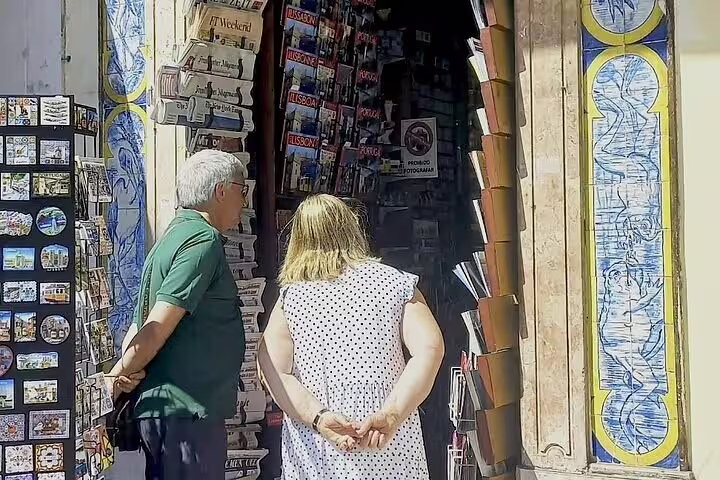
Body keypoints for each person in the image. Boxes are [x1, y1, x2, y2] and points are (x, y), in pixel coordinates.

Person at [258, 194, 444, 479]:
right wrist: (393, 413)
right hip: (388, 440)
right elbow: (430, 348)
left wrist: (318, 418)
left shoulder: (292, 298)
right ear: (351, 228)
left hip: (320, 449)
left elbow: (272, 367)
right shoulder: (395, 282)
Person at [107, 149, 248, 480]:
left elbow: (139, 321)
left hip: (173, 411)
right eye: (243, 190)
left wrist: (125, 369)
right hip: (185, 412)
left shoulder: (171, 236)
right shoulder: (203, 239)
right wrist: (117, 378)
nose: (244, 201)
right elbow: (157, 324)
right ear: (221, 190)